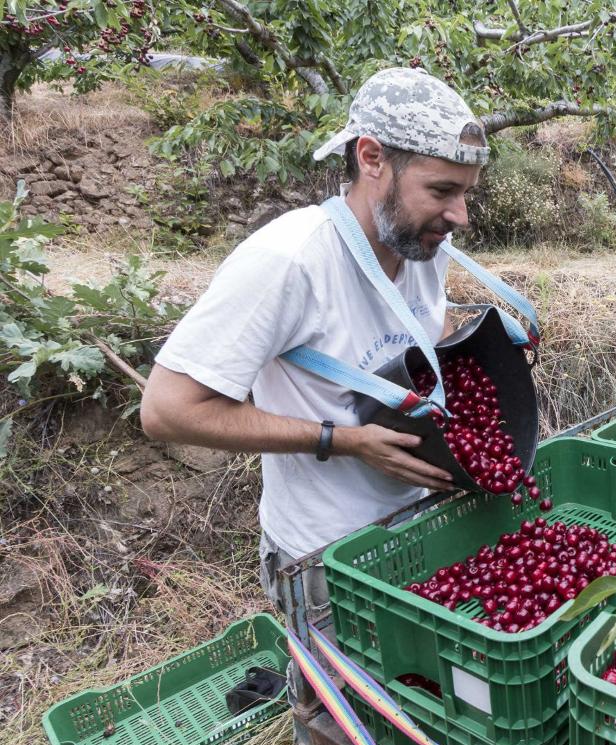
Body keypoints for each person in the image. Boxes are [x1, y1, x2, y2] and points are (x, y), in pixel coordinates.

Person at [140, 67, 490, 612]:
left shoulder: (422, 246)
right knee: (334, 698)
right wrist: (343, 440)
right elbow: (167, 411)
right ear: (372, 158)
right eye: (442, 191)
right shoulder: (288, 261)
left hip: (419, 528)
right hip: (326, 559)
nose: (459, 216)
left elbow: (427, 334)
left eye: (465, 193)